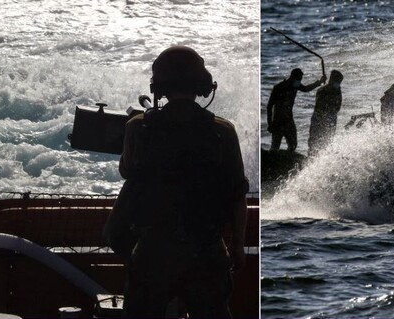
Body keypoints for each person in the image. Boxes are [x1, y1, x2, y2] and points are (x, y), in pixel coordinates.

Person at [119, 46, 249, 318]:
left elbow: (127, 172)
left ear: (159, 86)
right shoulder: (223, 132)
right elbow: (238, 194)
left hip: (153, 250)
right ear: (201, 85)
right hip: (207, 249)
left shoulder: (138, 128)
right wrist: (237, 246)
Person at [266, 68, 326, 151]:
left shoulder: (296, 86)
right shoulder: (278, 88)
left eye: (300, 79)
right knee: (275, 147)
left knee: (293, 145)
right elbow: (269, 106)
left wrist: (319, 82)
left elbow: (306, 89)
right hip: (277, 122)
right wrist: (270, 123)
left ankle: (287, 161)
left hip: (289, 121)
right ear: (292, 77)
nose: (299, 81)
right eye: (298, 79)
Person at [308, 70, 343, 156]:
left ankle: (324, 159)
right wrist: (324, 118)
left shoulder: (338, 90)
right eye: (337, 81)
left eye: (339, 82)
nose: (338, 84)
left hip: (331, 118)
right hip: (319, 119)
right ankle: (311, 158)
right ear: (331, 80)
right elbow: (319, 108)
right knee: (314, 142)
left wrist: (332, 113)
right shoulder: (322, 91)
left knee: (327, 142)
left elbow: (338, 106)